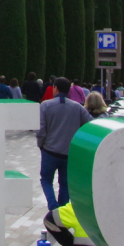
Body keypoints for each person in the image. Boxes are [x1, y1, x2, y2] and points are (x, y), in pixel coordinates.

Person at [37, 78, 93, 209]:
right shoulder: (77, 107)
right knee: (65, 184)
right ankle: (62, 213)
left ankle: (53, 206)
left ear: (55, 88)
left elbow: (40, 130)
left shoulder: (45, 105)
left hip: (49, 151)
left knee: (46, 180)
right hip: (69, 152)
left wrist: (41, 145)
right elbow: (90, 124)